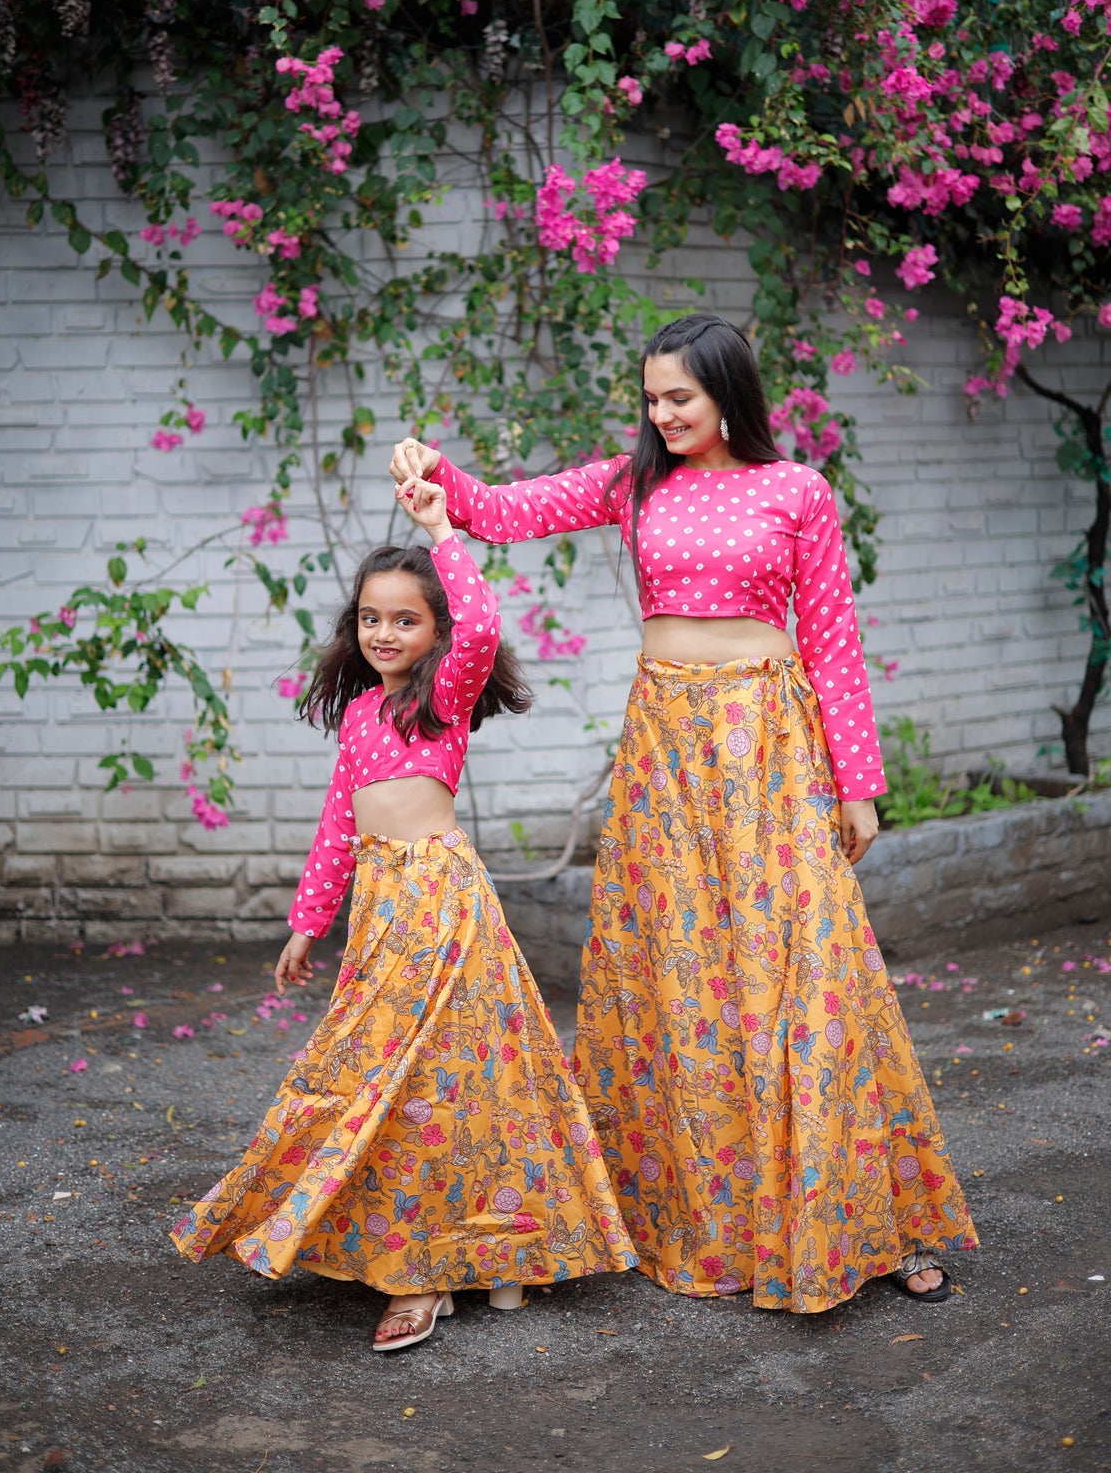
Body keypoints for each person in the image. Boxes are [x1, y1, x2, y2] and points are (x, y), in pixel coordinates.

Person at [389, 313, 977, 1314]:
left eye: (679, 399)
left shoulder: (797, 492)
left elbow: (831, 639)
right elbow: (502, 509)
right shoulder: (637, 482)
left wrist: (860, 783)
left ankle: (877, 1222)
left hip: (768, 746)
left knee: (807, 966)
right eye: (650, 398)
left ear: (728, 395)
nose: (659, 416)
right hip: (666, 747)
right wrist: (435, 476)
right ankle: (697, 1221)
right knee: (679, 975)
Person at [171, 474, 637, 1349]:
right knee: (391, 1082)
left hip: (443, 901)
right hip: (382, 908)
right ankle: (416, 1254)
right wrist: (308, 922)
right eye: (370, 619)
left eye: (405, 620)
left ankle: (450, 1269)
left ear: (436, 634)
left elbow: (486, 626)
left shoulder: (443, 697)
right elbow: (338, 827)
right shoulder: (357, 715)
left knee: (458, 1078)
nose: (384, 634)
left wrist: (442, 530)